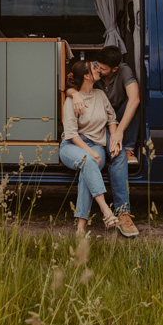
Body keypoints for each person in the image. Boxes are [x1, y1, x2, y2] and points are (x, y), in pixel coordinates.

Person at [67, 45, 141, 237]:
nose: (97, 69)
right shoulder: (90, 70)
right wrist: (73, 93)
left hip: (113, 121)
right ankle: (100, 216)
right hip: (97, 126)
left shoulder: (123, 71)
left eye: (102, 68)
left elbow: (134, 99)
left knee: (117, 153)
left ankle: (123, 212)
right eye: (96, 66)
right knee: (105, 156)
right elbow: (71, 82)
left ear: (115, 69)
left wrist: (118, 134)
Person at [59, 60, 122, 236]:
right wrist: (91, 152)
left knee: (88, 168)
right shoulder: (72, 100)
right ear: (87, 76)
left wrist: (114, 138)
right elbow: (71, 134)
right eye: (94, 68)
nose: (98, 69)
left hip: (96, 144)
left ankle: (80, 227)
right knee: (89, 161)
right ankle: (105, 210)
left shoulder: (100, 95)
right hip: (72, 146)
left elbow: (111, 119)